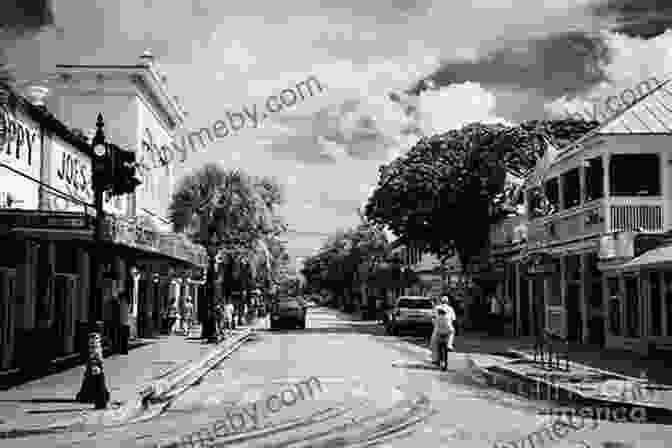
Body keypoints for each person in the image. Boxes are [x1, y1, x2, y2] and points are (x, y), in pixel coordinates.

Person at [431, 296, 456, 365]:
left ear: (441, 301)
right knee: (452, 332)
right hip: (448, 329)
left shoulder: (436, 307)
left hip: (438, 329)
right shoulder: (450, 308)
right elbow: (454, 320)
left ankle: (435, 359)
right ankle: (449, 345)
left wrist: (435, 324)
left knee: (433, 343)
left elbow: (433, 318)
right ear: (447, 302)